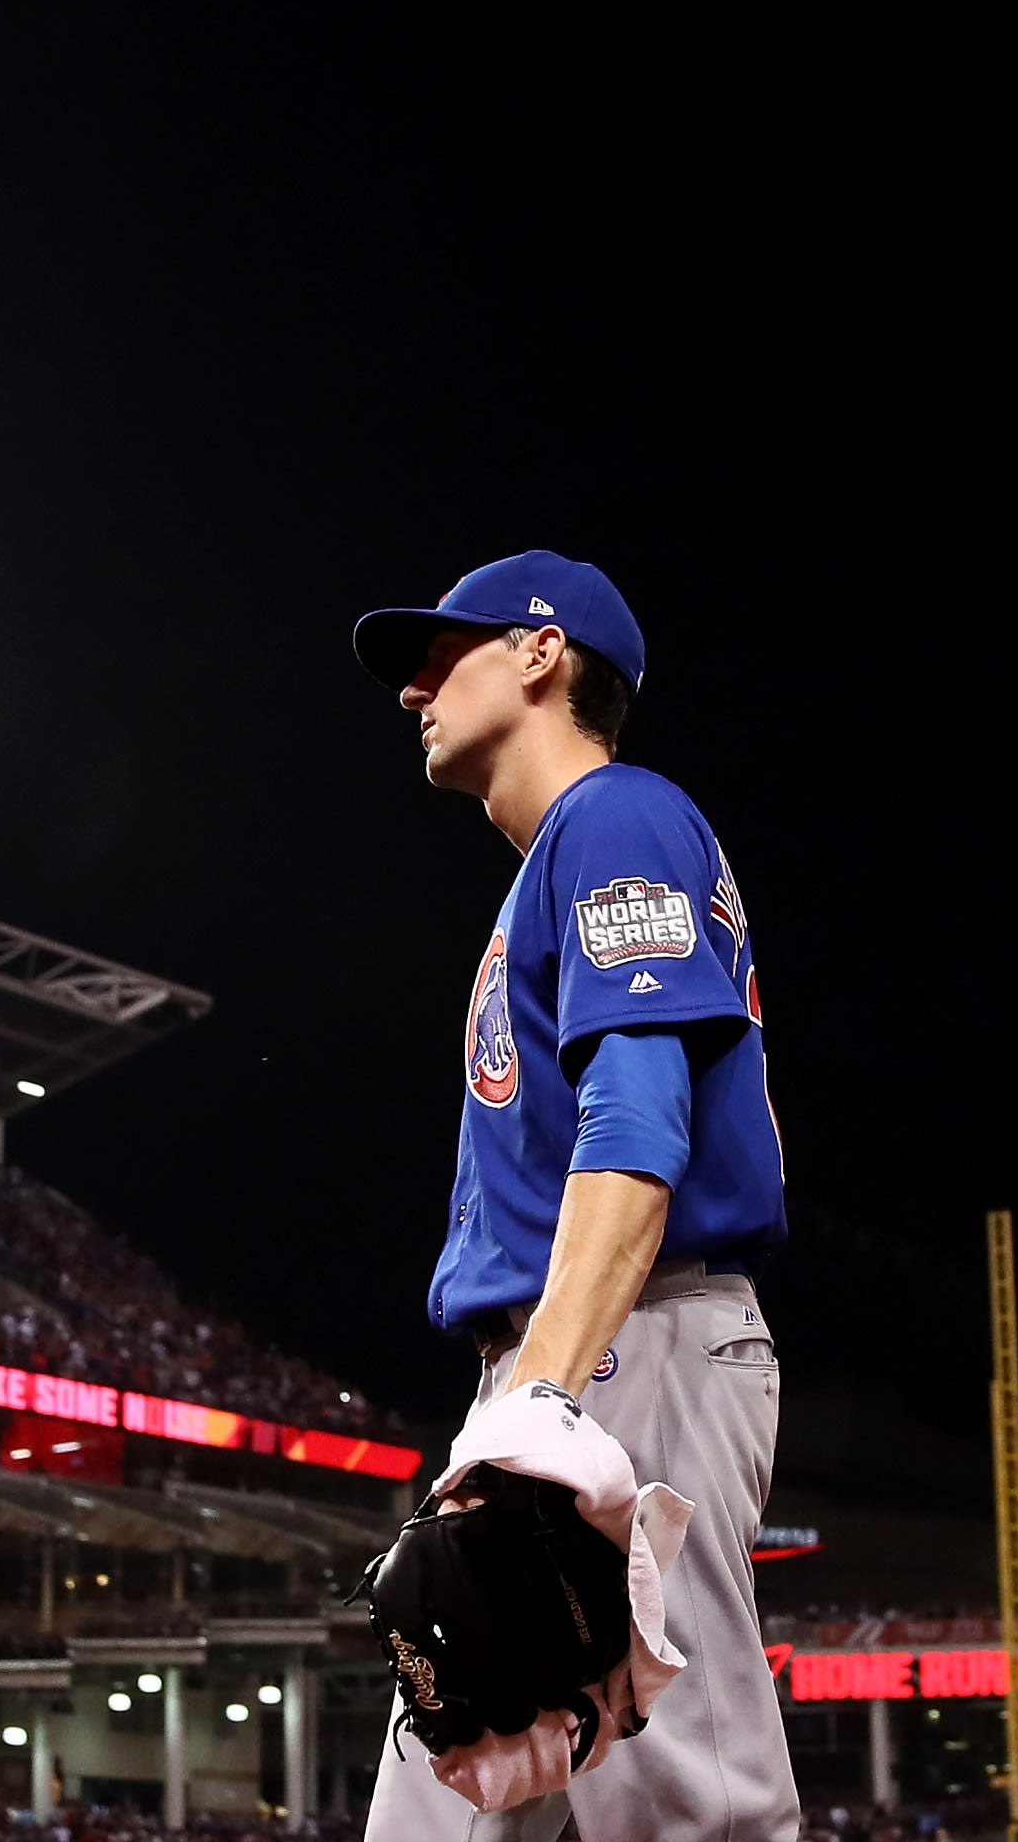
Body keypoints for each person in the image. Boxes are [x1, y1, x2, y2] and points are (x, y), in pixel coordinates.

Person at [349, 550, 796, 1840]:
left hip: (630, 1345)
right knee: (459, 1781)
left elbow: (639, 1129)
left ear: (542, 653)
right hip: (568, 1356)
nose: (412, 687)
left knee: (683, 1801)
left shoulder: (618, 816)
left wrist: (540, 1394)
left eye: (443, 652)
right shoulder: (555, 864)